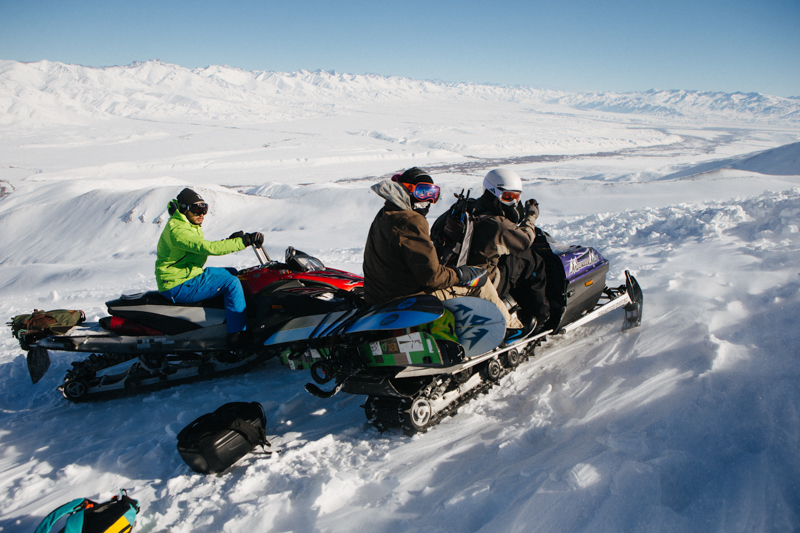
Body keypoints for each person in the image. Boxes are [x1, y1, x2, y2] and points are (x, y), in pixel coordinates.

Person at [362, 167, 520, 328]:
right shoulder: (411, 220)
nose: (428, 200)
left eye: (433, 193)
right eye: (422, 192)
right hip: (405, 300)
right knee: (481, 284)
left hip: (379, 297)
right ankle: (511, 328)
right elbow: (432, 278)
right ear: (406, 191)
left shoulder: (385, 213)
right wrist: (461, 274)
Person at [155, 188, 264, 348]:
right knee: (231, 283)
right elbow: (208, 248)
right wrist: (243, 241)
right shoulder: (178, 230)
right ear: (185, 209)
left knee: (233, 273)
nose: (201, 214)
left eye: (204, 209)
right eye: (196, 209)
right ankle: (237, 337)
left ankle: (227, 319)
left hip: (188, 275)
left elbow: (202, 247)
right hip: (177, 284)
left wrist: (228, 241)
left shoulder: (186, 223)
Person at [466, 168, 550, 331]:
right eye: (508, 197)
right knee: (531, 260)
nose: (513, 203)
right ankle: (539, 319)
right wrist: (530, 216)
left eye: (516, 197)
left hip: (457, 276)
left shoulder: (465, 209)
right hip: (485, 283)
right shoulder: (497, 224)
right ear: (493, 193)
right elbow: (524, 240)